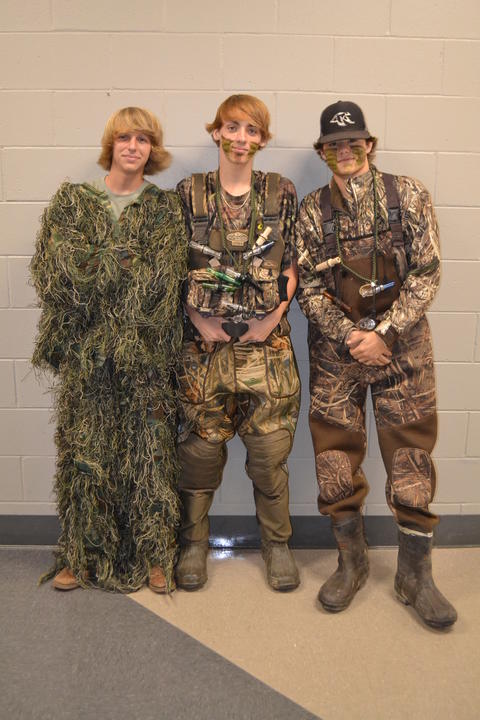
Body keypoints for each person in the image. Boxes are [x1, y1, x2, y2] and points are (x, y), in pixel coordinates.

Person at [295, 100, 457, 628]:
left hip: (402, 346)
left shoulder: (407, 194)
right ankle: (352, 561)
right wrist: (351, 337)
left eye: (354, 141)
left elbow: (428, 272)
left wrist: (384, 331)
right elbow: (308, 289)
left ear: (370, 144)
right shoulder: (311, 210)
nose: (345, 151)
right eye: (334, 144)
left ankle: (415, 575)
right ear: (324, 152)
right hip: (337, 351)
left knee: (410, 451)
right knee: (334, 454)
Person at [31, 107, 187, 593]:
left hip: (144, 356)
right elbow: (58, 273)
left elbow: (162, 281)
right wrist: (123, 264)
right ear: (111, 145)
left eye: (143, 139)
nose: (133, 147)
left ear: (152, 150)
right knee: (86, 452)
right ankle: (82, 554)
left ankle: (155, 555)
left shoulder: (162, 209)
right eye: (125, 137)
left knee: (150, 455)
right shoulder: (74, 202)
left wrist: (100, 264)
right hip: (86, 357)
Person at [175, 94, 300, 592]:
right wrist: (195, 320)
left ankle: (277, 545)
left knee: (270, 456)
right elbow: (171, 268)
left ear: (262, 139)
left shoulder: (282, 192)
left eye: (252, 130)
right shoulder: (187, 194)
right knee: (200, 456)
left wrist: (271, 321)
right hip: (203, 351)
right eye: (232, 127)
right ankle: (193, 545)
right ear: (217, 132)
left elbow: (291, 266)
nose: (241, 138)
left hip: (266, 352)